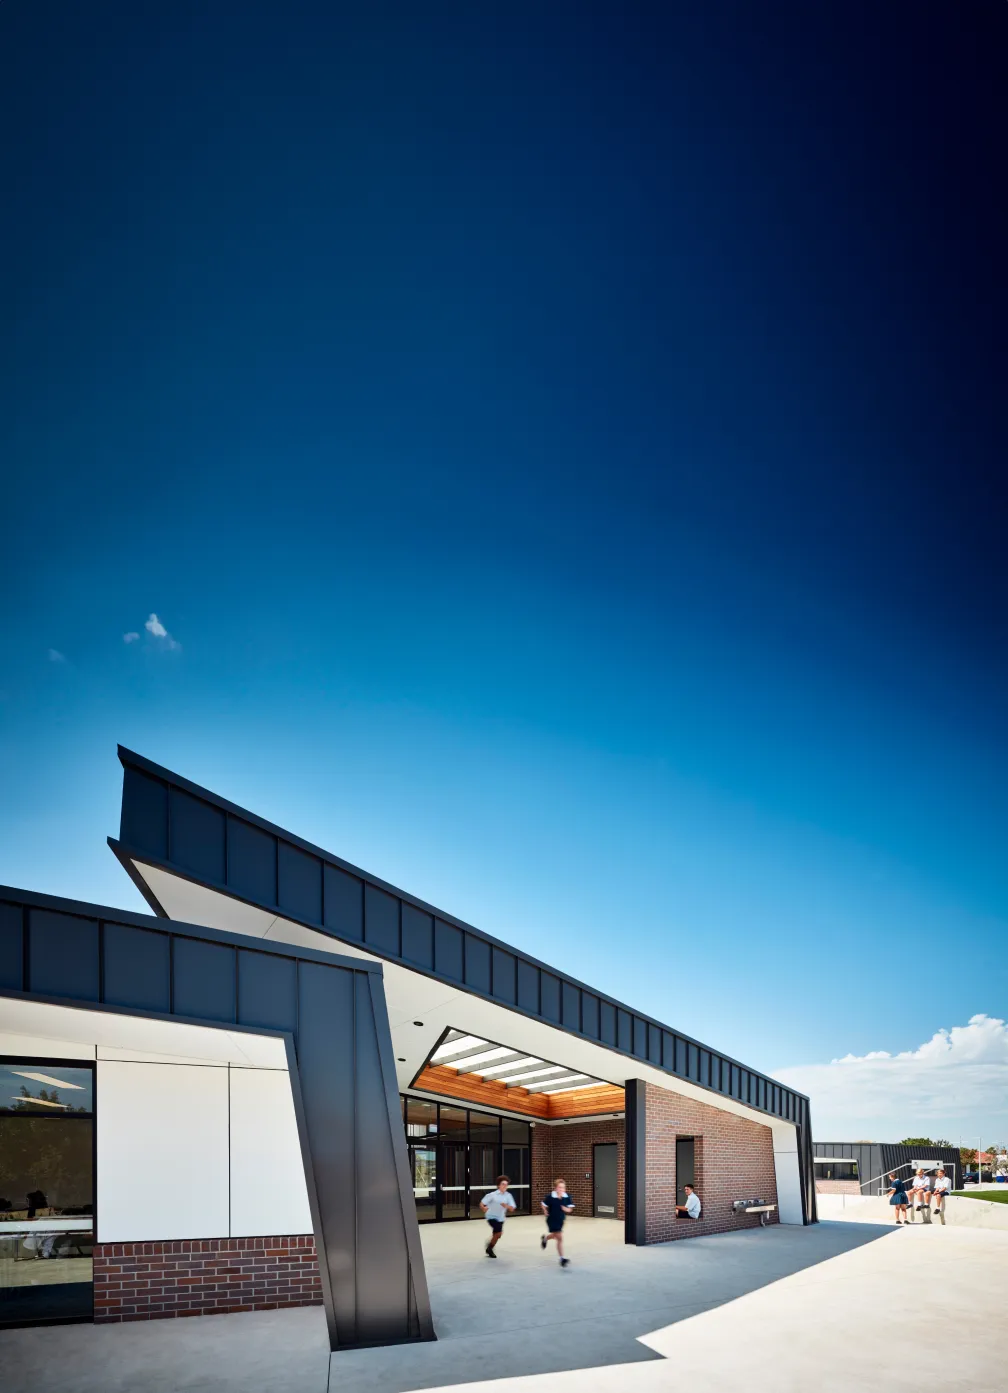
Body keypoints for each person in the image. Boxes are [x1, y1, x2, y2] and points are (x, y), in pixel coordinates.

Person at [540, 1177, 575, 1266]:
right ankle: (562, 1259)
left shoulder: (566, 1197)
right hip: (551, 1220)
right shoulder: (550, 1197)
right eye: (559, 1187)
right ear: (556, 1188)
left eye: (563, 1187)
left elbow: (570, 1209)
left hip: (561, 1220)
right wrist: (545, 1210)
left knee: (555, 1236)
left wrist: (566, 1209)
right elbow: (543, 1204)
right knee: (559, 1238)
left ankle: (545, 1238)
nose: (561, 1189)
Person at [480, 1175, 516, 1258]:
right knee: (499, 1232)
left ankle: (490, 1243)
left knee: (497, 1235)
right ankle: (489, 1249)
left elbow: (512, 1209)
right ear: (499, 1185)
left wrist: (506, 1206)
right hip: (491, 1216)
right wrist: (483, 1208)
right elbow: (482, 1203)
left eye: (506, 1184)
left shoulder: (508, 1196)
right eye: (503, 1184)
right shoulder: (492, 1195)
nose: (505, 1186)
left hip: (501, 1218)